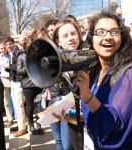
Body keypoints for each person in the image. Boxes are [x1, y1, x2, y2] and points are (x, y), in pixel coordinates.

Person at [72, 11, 132, 149]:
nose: (108, 37)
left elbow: (115, 127)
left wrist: (87, 96)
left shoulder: (130, 74)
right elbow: (98, 112)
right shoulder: (97, 72)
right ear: (91, 38)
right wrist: (76, 116)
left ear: (122, 38)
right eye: (101, 32)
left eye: (114, 31)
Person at [51, 19, 85, 150]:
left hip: (93, 115)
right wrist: (67, 111)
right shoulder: (55, 65)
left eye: (73, 33)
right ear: (58, 42)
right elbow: (55, 95)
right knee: (68, 146)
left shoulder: (92, 57)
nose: (71, 38)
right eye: (65, 36)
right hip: (71, 114)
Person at [16, 36, 43, 135]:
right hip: (27, 84)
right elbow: (19, 71)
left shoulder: (38, 56)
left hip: (38, 82)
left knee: (39, 104)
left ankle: (39, 124)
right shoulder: (21, 57)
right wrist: (28, 66)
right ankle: (31, 125)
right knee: (30, 106)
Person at [3, 37, 27, 137]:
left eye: (9, 44)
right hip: (13, 80)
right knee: (16, 105)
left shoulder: (18, 52)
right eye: (6, 44)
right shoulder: (11, 53)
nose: (8, 46)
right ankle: (20, 125)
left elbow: (19, 67)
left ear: (13, 43)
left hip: (18, 82)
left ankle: (22, 128)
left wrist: (8, 66)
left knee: (19, 105)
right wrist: (7, 68)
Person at [0, 41, 14, 127]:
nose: (3, 50)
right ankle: (10, 118)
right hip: (3, 79)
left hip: (13, 79)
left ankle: (17, 117)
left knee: (16, 100)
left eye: (4, 48)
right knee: (6, 101)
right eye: (1, 48)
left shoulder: (11, 55)